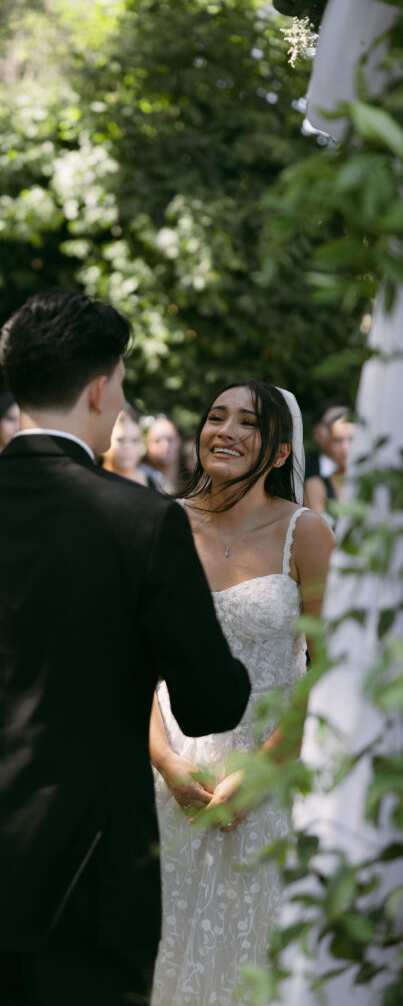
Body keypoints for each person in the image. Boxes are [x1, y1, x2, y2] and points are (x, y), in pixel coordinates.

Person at [0, 290, 251, 1006]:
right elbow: (210, 702)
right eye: (124, 384)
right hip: (92, 892)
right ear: (100, 386)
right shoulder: (142, 521)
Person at [149, 380, 334, 1006]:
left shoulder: (305, 534)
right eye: (215, 416)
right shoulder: (161, 524)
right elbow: (131, 660)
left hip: (264, 774)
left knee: (243, 956)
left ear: (280, 452)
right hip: (163, 773)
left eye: (247, 423)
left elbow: (326, 668)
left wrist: (259, 772)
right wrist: (168, 763)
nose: (224, 430)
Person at [304, 412, 354, 527]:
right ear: (328, 445)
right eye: (338, 440)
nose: (345, 447)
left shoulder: (371, 481)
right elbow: (320, 530)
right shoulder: (315, 485)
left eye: (351, 439)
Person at [102, 405, 154, 488]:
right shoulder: (92, 480)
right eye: (120, 440)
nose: (128, 447)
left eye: (135, 440)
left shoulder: (154, 482)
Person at [143, 415, 181, 494]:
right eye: (157, 441)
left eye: (170, 440)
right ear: (148, 445)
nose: (165, 446)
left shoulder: (193, 476)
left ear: (179, 441)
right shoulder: (139, 478)